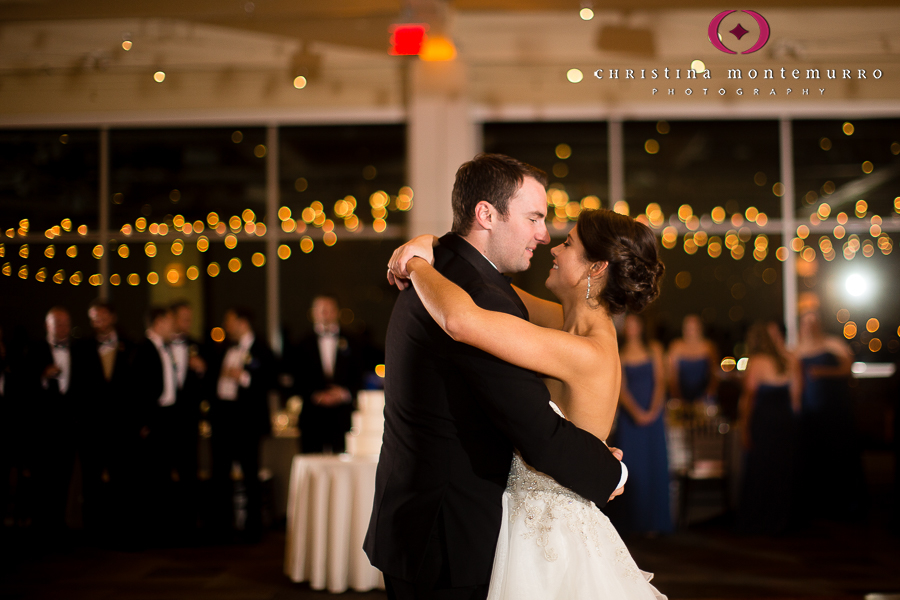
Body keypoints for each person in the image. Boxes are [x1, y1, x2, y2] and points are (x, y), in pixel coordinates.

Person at [368, 153, 662, 600]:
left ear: (596, 268)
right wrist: (432, 244)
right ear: (486, 213)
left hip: (537, 521)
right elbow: (494, 296)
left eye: (567, 242)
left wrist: (418, 263)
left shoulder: (579, 344)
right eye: (536, 219)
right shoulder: (559, 317)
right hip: (458, 526)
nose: (549, 241)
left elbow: (464, 319)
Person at [210, 307, 274, 540]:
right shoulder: (222, 347)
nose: (227, 326)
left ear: (242, 322)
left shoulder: (261, 349)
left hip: (248, 422)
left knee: (250, 474)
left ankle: (252, 528)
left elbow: (270, 378)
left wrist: (243, 377)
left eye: (230, 321)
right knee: (221, 474)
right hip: (223, 420)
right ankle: (222, 526)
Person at [794, 311, 864, 519]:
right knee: (814, 454)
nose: (810, 326)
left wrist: (822, 372)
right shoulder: (797, 349)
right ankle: (818, 505)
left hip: (835, 407)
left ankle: (846, 504)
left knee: (840, 452)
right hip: (810, 409)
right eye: (806, 323)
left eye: (813, 322)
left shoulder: (833, 343)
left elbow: (847, 369)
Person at [736, 322, 802, 535]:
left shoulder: (756, 362)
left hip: (763, 422)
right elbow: (796, 400)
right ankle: (781, 520)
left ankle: (759, 520)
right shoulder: (790, 360)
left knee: (761, 470)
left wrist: (744, 427)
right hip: (784, 422)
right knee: (783, 470)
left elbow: (748, 398)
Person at [613, 313, 672, 536]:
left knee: (655, 466)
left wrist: (653, 412)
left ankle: (656, 522)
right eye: (628, 325)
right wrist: (637, 414)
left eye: (635, 324)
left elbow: (660, 383)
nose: (631, 328)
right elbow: (622, 389)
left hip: (654, 419)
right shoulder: (620, 353)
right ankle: (633, 523)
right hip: (631, 420)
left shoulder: (654, 349)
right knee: (633, 468)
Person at [292, 295, 365, 454]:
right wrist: (315, 395)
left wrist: (343, 394)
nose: (325, 313)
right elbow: (295, 378)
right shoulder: (301, 344)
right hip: (312, 417)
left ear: (337, 312)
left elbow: (360, 374)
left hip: (343, 417)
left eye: (329, 309)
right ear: (313, 313)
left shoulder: (353, 342)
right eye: (321, 310)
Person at [667, 315, 718, 405]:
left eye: (693, 328)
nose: (690, 331)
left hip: (704, 398)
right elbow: (672, 375)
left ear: (700, 328)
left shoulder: (709, 347)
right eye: (687, 328)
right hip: (680, 397)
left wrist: (707, 394)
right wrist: (677, 396)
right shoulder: (676, 346)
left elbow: (714, 374)